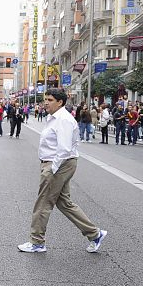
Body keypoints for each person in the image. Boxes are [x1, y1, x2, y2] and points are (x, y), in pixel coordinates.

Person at [18, 88, 107, 254]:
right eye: (45, 99)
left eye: (50, 100)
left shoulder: (63, 119)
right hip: (59, 163)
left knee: (43, 202)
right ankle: (95, 234)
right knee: (64, 203)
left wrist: (52, 169)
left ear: (60, 102)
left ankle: (37, 242)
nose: (46, 102)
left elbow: (64, 149)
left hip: (59, 164)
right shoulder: (54, 118)